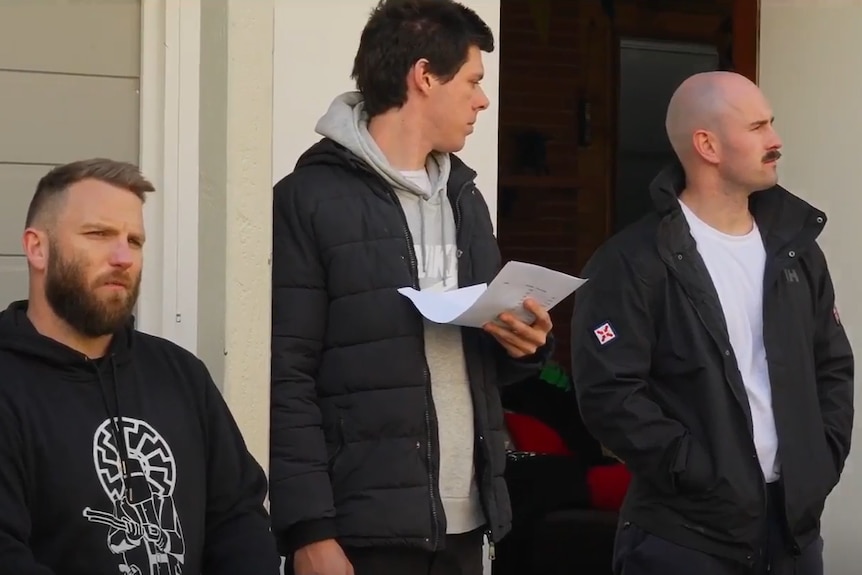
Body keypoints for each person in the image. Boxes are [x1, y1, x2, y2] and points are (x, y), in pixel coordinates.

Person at [269, 1, 554, 574]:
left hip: (466, 523)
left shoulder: (465, 198)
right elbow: (285, 372)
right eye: (473, 81)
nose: (483, 100)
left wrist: (523, 346)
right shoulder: (308, 199)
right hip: (359, 530)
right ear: (424, 76)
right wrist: (308, 530)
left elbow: (477, 358)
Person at [570, 71, 853, 575]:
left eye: (772, 124)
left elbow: (832, 365)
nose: (776, 140)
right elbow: (610, 395)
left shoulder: (796, 252)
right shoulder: (633, 262)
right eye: (758, 127)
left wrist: (820, 458)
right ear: (708, 144)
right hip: (685, 539)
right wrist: (698, 472)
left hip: (793, 534)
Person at [0, 158, 281, 574]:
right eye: (99, 234)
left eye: (135, 241)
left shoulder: (181, 376)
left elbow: (238, 520)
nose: (123, 257)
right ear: (37, 247)